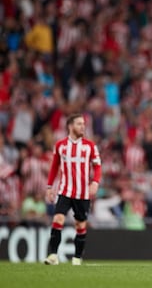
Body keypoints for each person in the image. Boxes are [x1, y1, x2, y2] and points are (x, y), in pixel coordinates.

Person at [44, 113, 102, 266]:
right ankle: (53, 255)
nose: (83, 126)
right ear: (70, 126)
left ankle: (77, 258)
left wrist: (95, 182)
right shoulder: (60, 145)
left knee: (80, 226)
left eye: (83, 124)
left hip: (83, 193)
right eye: (79, 124)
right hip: (65, 191)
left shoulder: (90, 146)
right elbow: (54, 166)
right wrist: (49, 187)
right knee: (58, 219)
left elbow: (97, 167)